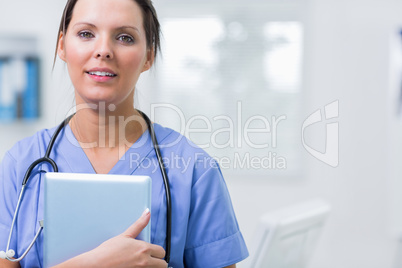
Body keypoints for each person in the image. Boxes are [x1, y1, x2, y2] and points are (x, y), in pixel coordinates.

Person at [0, 0, 249, 267]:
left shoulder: (195, 170)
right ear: (62, 45)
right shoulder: (21, 164)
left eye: (125, 37)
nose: (104, 50)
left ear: (148, 57)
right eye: (86, 33)